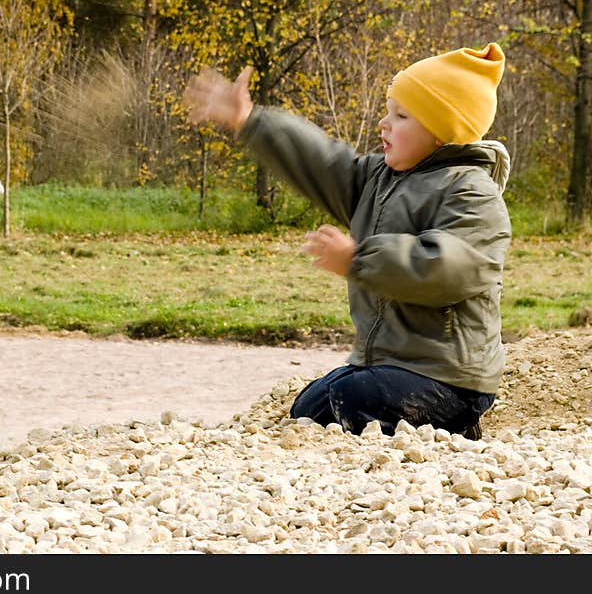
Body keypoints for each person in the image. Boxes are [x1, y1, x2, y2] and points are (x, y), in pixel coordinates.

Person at [182, 43, 511, 439]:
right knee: (310, 404)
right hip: (390, 365)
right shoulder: (379, 179)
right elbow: (324, 164)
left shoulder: (472, 193)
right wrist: (251, 120)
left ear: (442, 132)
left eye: (401, 116)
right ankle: (423, 424)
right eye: (388, 111)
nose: (383, 124)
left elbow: (448, 268)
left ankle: (456, 425)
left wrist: (360, 259)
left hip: (449, 377)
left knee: (351, 398)